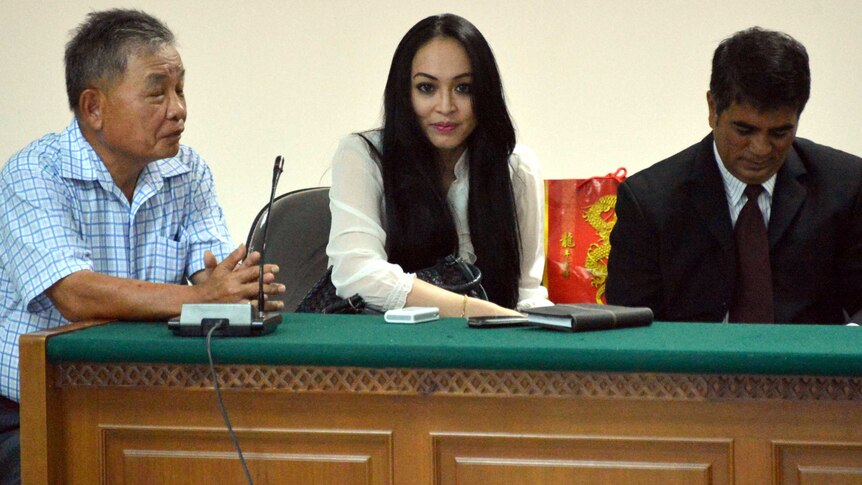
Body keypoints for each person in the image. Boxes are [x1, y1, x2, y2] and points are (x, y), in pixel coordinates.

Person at [0, 9, 284, 482]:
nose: (178, 109)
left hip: (151, 404)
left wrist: (240, 289)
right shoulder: (33, 174)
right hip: (33, 411)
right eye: (157, 92)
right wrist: (200, 298)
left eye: (180, 89)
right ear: (93, 108)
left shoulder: (187, 170)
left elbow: (211, 277)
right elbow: (74, 294)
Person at [606, 27, 862, 324]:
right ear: (713, 109)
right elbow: (631, 325)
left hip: (812, 368)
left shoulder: (845, 187)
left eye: (780, 132)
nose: (760, 149)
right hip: (691, 367)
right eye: (744, 130)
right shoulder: (651, 203)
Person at [327, 14, 550, 318]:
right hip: (386, 353)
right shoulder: (362, 155)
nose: (445, 107)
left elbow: (526, 293)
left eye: (464, 88)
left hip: (490, 353)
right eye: (426, 88)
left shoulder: (517, 167)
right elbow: (357, 274)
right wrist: (476, 309)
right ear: (403, 93)